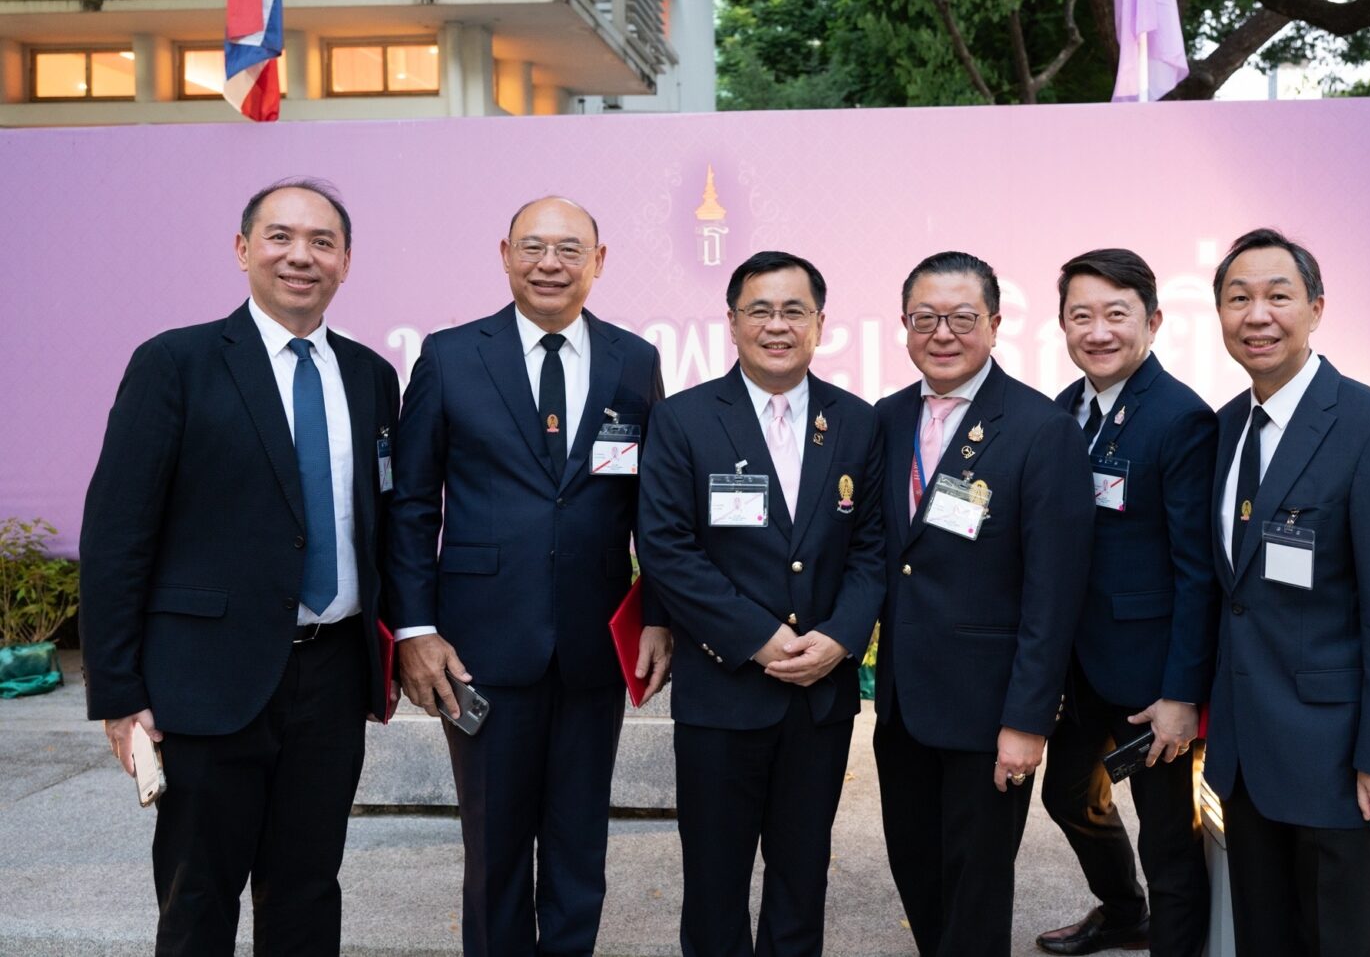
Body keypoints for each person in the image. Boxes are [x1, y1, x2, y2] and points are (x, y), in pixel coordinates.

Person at [79, 177, 400, 956]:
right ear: (243, 249)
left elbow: (381, 524)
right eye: (281, 237)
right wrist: (120, 698)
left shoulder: (370, 377)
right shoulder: (176, 363)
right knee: (198, 896)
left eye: (322, 242)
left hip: (330, 679)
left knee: (308, 889)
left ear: (347, 261)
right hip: (206, 683)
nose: (301, 256)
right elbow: (117, 536)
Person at [387, 196, 671, 957]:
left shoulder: (633, 361)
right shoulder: (450, 357)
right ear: (506, 253)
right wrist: (414, 628)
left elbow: (655, 504)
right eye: (535, 247)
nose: (552, 263)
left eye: (571, 249)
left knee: (581, 848)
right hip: (479, 647)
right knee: (496, 849)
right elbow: (412, 504)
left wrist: (660, 614)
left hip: (592, 645)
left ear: (600, 261)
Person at [636, 250, 885, 957]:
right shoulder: (683, 420)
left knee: (802, 880)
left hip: (821, 696)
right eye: (760, 311)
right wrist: (759, 637)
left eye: (793, 311)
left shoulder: (858, 423)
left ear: (820, 324)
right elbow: (666, 548)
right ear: (732, 322)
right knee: (714, 886)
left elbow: (871, 550)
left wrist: (839, 638)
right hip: (724, 693)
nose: (777, 326)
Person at [1203, 228, 1370, 957]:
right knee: (1263, 938)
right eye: (1238, 298)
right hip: (1247, 755)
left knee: (1335, 940)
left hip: (1337, 757)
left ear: (1316, 307)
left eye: (1278, 295)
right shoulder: (1227, 427)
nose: (1257, 314)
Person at [872, 251, 1095, 957]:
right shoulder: (883, 420)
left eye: (962, 318)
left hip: (988, 711)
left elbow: (1053, 594)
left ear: (994, 325)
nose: (943, 333)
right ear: (904, 326)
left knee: (976, 886)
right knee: (917, 870)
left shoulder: (1039, 429)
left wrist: (1028, 721)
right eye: (925, 318)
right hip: (903, 705)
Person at [1037, 249, 1218, 957]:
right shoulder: (1066, 409)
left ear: (1153, 320)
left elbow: (1198, 572)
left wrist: (1182, 694)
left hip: (1152, 678)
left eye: (1117, 314)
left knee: (1170, 841)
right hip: (1083, 668)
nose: (1099, 331)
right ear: (1062, 325)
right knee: (1066, 798)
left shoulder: (1179, 419)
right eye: (1082, 315)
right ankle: (1122, 913)